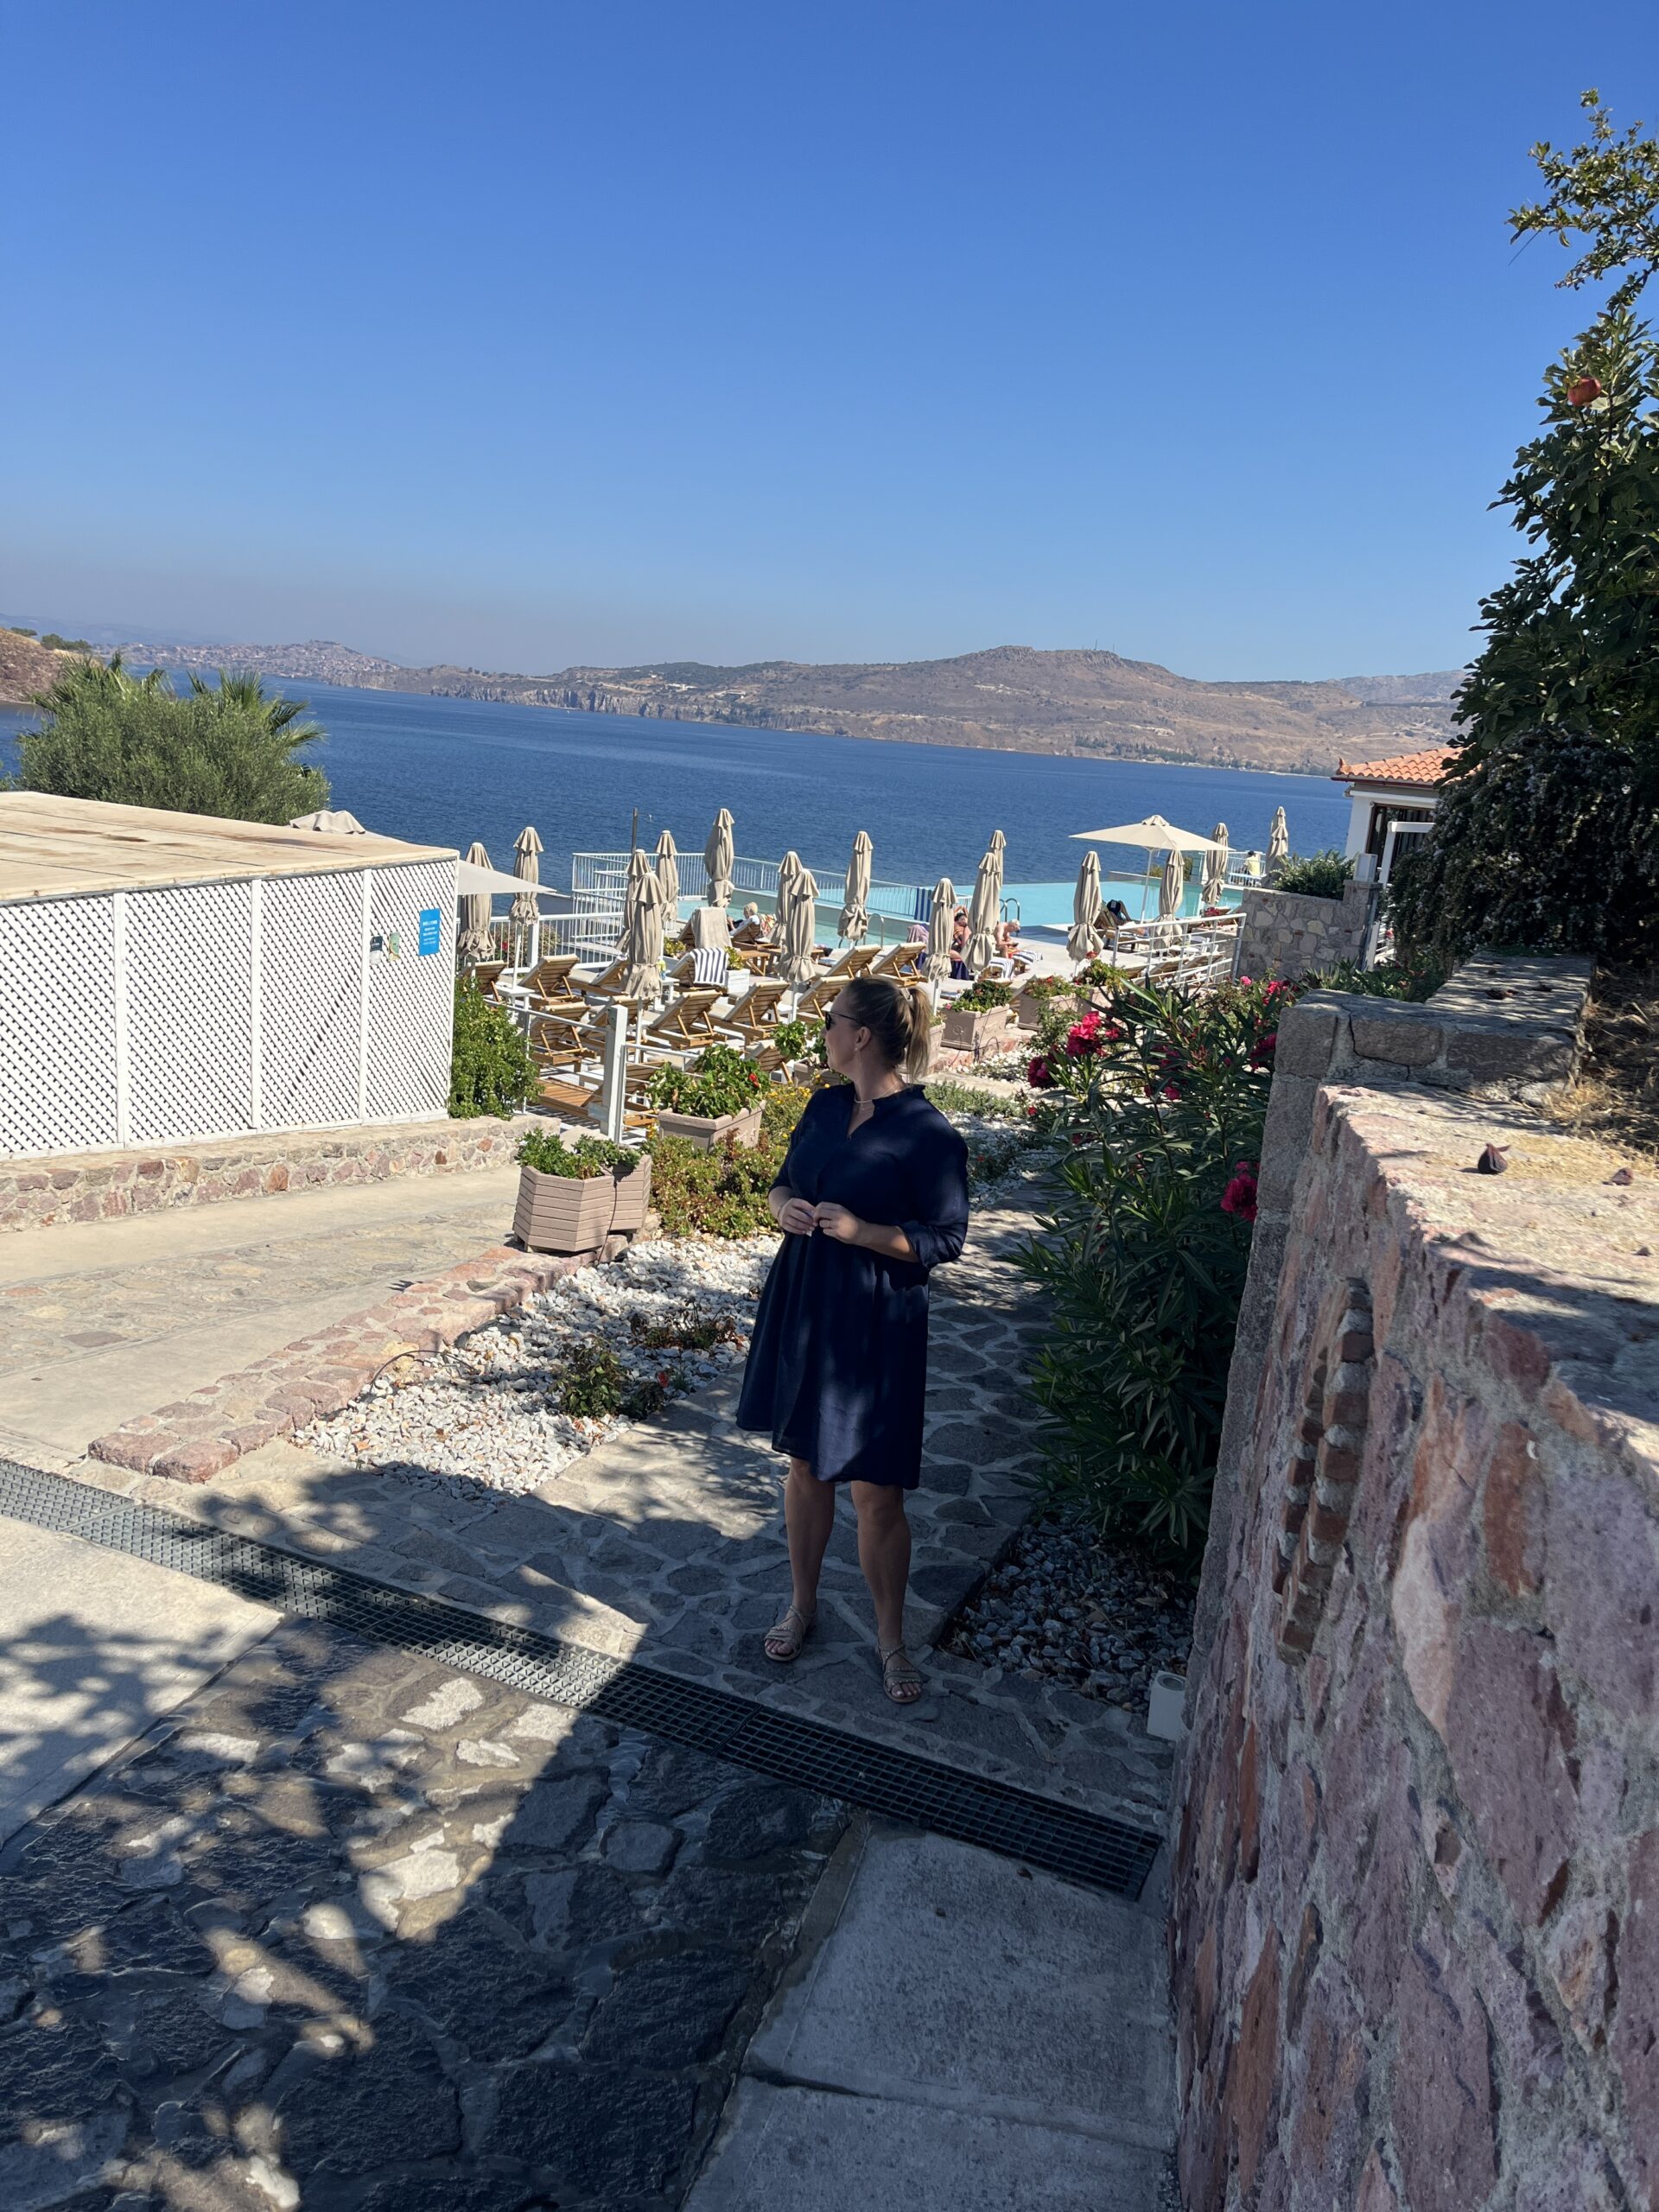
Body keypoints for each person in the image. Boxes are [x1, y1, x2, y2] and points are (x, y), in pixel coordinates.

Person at [736, 975, 969, 1705]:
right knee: (805, 1466)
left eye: (831, 1020)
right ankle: (801, 1606)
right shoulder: (824, 1106)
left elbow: (947, 1238)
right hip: (805, 1299)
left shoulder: (928, 1134)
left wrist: (864, 1231)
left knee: (877, 1490)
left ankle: (891, 1640)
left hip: (875, 1323)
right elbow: (781, 1183)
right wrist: (783, 1207)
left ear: (861, 1036)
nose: (825, 1032)